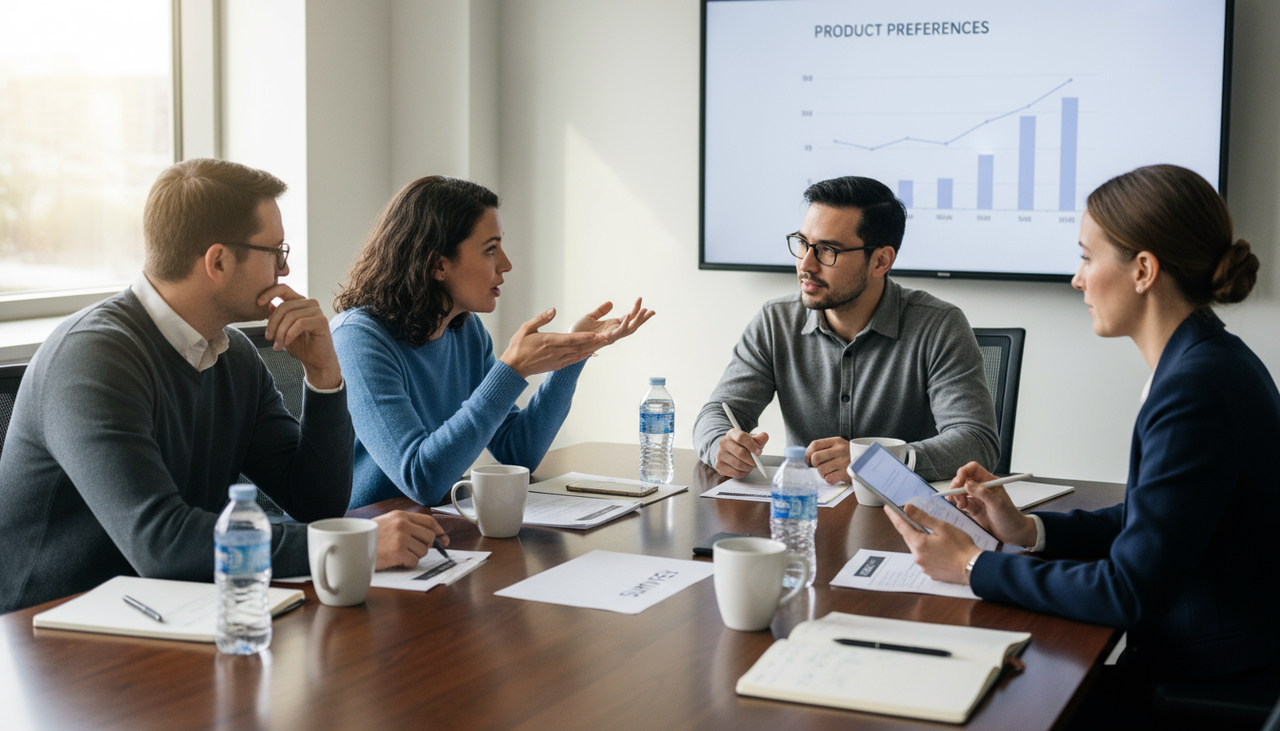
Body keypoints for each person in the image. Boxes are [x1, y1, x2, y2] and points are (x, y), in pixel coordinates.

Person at [887, 165, 1279, 720]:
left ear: (1143, 270)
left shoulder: (1195, 388)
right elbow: (1154, 522)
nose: (1077, 279)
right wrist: (1028, 530)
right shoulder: (1207, 360)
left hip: (1209, 679)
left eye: (1087, 257)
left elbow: (1130, 591)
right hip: (1207, 651)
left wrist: (974, 565)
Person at [0, 158, 447, 613]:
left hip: (171, 611)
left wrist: (324, 375)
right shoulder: (92, 357)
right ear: (217, 260)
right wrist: (351, 545)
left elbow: (315, 502)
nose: (285, 270)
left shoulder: (232, 355)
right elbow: (161, 543)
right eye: (275, 252)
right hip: (49, 634)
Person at [331, 176, 654, 509]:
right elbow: (420, 479)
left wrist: (574, 353)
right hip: (364, 540)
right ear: (438, 264)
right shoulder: (357, 339)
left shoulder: (466, 331)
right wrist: (511, 370)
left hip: (434, 528)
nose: (506, 264)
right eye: (490, 249)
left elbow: (518, 452)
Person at [693, 176, 999, 483]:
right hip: (803, 515)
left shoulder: (939, 325)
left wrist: (877, 462)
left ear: (881, 261)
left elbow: (976, 442)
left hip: (904, 517)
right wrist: (720, 444)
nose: (806, 265)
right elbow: (716, 415)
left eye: (828, 250)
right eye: (803, 244)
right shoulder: (776, 321)